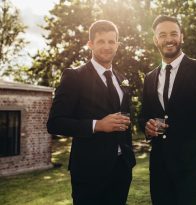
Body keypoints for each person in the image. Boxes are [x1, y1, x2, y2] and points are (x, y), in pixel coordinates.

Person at [47, 20, 135, 205]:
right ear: (90, 44)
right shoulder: (74, 76)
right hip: (89, 171)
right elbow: (55, 122)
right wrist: (98, 125)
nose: (107, 46)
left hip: (121, 169)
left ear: (117, 45)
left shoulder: (122, 78)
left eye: (111, 41)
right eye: (101, 41)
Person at [140, 15, 196, 205]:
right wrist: (147, 126)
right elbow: (144, 116)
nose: (168, 39)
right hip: (159, 169)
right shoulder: (149, 78)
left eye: (173, 34)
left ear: (182, 37)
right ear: (155, 40)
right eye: (162, 35)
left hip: (192, 169)